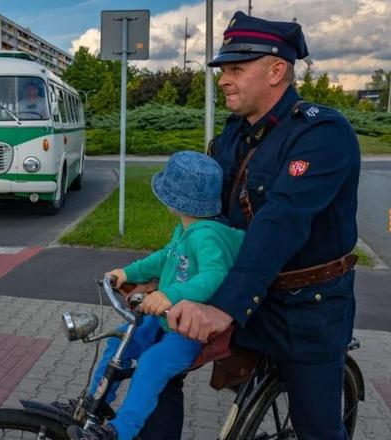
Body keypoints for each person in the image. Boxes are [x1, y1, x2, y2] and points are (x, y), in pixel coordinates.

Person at [142, 11, 361, 440]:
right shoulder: (233, 136)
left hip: (306, 310)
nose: (223, 79)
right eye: (223, 70)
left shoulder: (321, 134)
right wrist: (166, 277)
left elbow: (281, 222)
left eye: (236, 69)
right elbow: (209, 222)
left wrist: (221, 308)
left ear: (277, 70)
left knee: (317, 428)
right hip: (244, 294)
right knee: (153, 360)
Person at [66, 152, 245, 440]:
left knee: (152, 364)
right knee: (119, 340)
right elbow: (165, 258)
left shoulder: (206, 235)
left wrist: (170, 294)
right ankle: (94, 403)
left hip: (189, 328)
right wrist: (128, 273)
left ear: (174, 201)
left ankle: (120, 430)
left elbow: (215, 275)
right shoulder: (187, 229)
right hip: (166, 319)